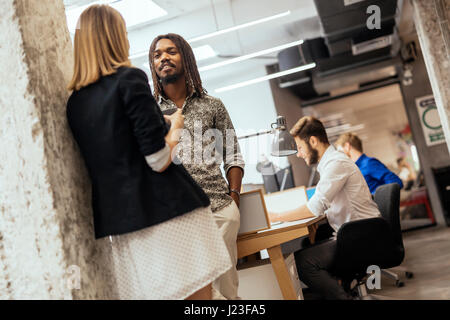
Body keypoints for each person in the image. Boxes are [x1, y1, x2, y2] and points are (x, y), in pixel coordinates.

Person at [66, 5, 232, 300]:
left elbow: (117, 146)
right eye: (124, 33)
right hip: (168, 211)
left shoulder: (75, 103)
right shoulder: (129, 79)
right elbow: (158, 159)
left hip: (121, 226)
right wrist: (176, 125)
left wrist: (159, 123)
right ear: (114, 38)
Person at [148, 33, 245, 300]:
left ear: (186, 58)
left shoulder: (212, 105)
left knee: (227, 290)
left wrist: (234, 198)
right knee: (199, 295)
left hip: (219, 209)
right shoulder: (150, 112)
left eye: (171, 52)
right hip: (178, 217)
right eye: (157, 55)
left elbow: (233, 155)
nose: (164, 58)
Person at [268, 117, 381, 300]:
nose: (298, 154)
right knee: (309, 244)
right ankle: (343, 288)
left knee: (304, 262)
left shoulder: (336, 163)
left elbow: (315, 208)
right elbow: (320, 204)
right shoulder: (331, 163)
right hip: (357, 231)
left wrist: (276, 216)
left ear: (313, 141)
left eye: (300, 148)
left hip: (362, 236)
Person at [335, 132, 403, 194]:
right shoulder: (355, 168)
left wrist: (374, 198)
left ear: (347, 146)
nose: (340, 155)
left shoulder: (369, 163)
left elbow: (396, 182)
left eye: (340, 151)